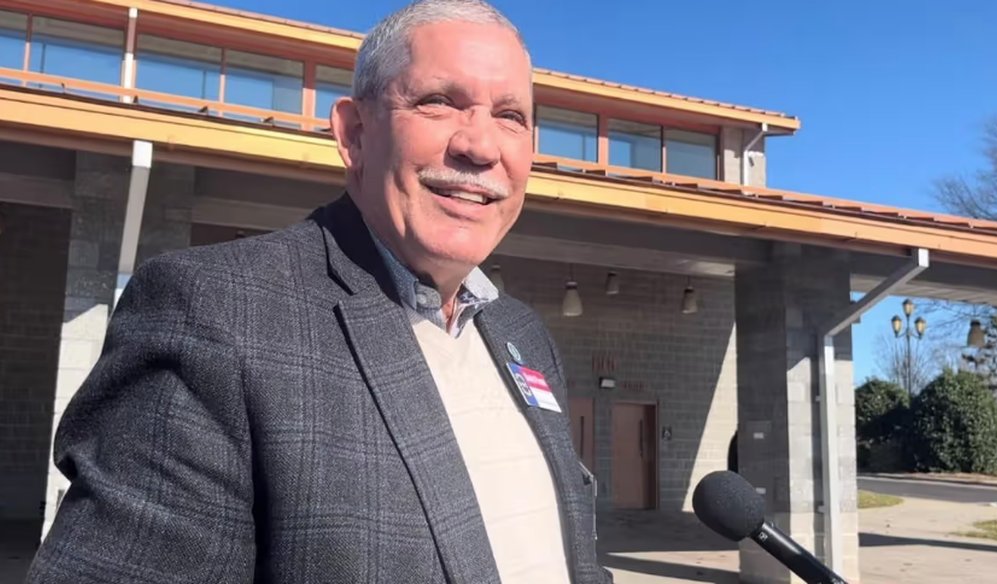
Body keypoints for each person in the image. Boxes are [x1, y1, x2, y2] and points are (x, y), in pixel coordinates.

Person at [26, 1, 612, 582]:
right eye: (438, 101)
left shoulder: (522, 334)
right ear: (355, 134)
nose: (481, 147)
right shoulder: (215, 313)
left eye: (511, 116)